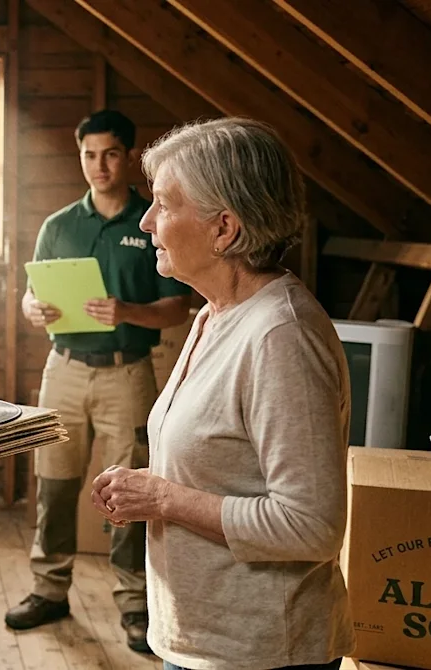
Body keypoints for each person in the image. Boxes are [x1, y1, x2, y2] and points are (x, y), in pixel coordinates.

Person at [91, 116, 355, 669]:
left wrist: (163, 500)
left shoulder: (281, 336)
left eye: (163, 205)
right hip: (203, 642)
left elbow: (311, 526)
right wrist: (149, 488)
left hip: (260, 654)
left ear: (224, 230)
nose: (145, 222)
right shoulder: (216, 313)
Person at [4, 110, 192, 654]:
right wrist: (31, 309)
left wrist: (127, 310)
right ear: (80, 155)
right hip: (62, 368)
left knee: (130, 490)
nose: (99, 165)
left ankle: (135, 603)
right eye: (89, 154)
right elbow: (29, 296)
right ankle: (49, 589)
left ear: (129, 156)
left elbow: (177, 308)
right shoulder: (58, 224)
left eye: (110, 153)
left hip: (126, 371)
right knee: (55, 480)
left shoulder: (151, 219)